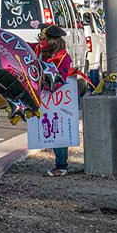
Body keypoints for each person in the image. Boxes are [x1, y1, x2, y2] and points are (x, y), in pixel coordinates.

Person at [35, 24, 73, 177]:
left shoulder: (61, 57)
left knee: (59, 131)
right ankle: (60, 164)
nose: (41, 40)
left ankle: (62, 166)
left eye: (44, 38)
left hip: (58, 98)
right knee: (53, 130)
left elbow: (58, 81)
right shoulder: (44, 54)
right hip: (49, 99)